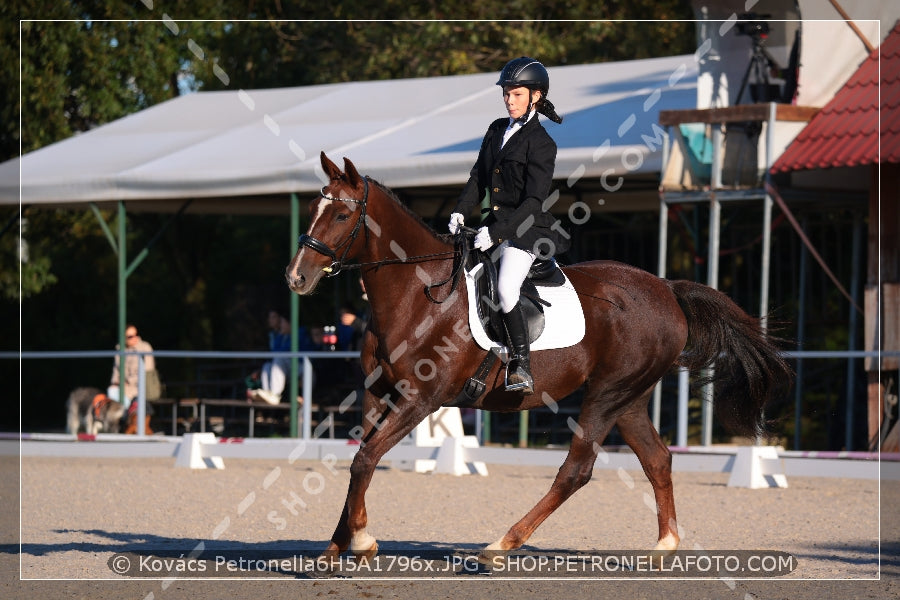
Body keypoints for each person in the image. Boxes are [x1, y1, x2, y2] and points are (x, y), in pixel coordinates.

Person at [448, 56, 567, 395]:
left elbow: (534, 201)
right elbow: (478, 177)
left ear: (536, 97)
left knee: (505, 289)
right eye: (506, 94)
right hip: (491, 225)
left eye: (516, 95)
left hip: (527, 230)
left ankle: (520, 365)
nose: (509, 100)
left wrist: (498, 233)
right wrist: (460, 211)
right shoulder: (496, 129)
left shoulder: (542, 143)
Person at [108, 324, 159, 408]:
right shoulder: (119, 349)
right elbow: (115, 372)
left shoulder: (145, 348)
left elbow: (147, 374)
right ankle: (124, 415)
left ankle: (125, 415)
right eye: (130, 336)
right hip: (121, 387)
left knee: (117, 396)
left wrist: (128, 382)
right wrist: (117, 382)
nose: (135, 338)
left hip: (140, 387)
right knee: (111, 390)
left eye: (136, 334)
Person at [251, 310, 292, 405]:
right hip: (284, 366)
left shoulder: (298, 334)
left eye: (282, 322)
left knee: (278, 361)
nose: (280, 325)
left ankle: (275, 395)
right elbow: (274, 352)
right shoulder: (280, 335)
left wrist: (281, 335)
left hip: (297, 366)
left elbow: (282, 352)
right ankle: (267, 394)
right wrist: (281, 335)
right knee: (267, 366)